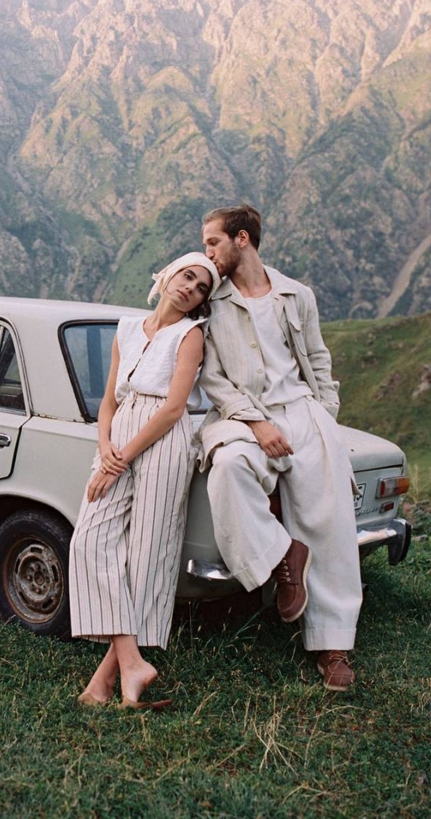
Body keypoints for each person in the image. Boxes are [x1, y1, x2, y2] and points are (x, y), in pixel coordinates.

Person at [198, 204, 361, 691]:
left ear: (242, 239)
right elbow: (212, 379)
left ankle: (333, 648)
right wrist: (254, 421)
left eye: (213, 242)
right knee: (227, 467)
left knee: (328, 522)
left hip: (304, 414)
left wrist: (324, 415)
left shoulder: (297, 295)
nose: (207, 252)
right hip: (242, 416)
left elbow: (316, 356)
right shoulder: (211, 301)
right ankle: (282, 557)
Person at [68, 252, 221, 709]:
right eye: (187, 277)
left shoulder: (190, 335)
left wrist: (123, 457)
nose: (189, 288)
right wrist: (106, 449)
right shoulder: (127, 328)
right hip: (119, 435)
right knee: (89, 541)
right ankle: (133, 663)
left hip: (164, 439)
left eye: (199, 289)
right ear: (168, 273)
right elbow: (109, 401)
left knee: (146, 555)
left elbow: (175, 408)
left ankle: (106, 682)